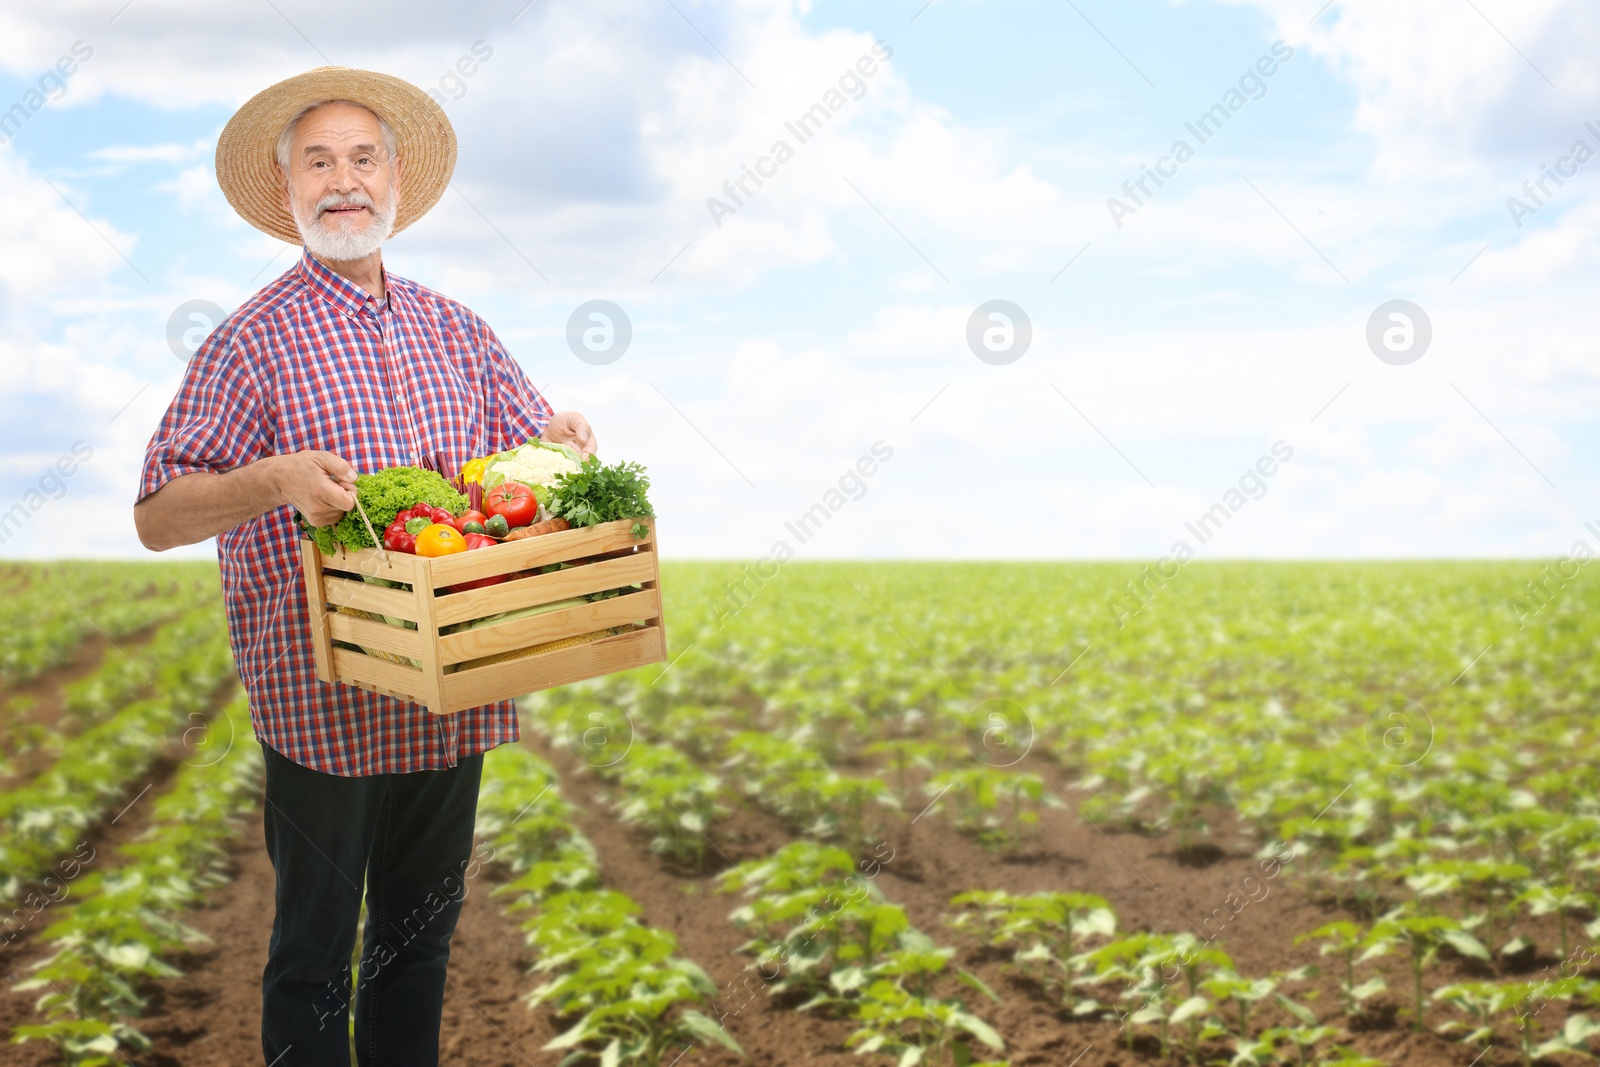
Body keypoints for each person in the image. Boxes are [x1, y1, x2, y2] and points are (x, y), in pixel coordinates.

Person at [132, 66, 591, 1066]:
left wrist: (562, 443)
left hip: (449, 686)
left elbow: (527, 476)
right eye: (319, 161)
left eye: (362, 158)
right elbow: (158, 515)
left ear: (394, 180)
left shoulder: (460, 331)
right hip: (320, 693)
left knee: (415, 947)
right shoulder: (248, 345)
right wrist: (273, 480)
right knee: (311, 957)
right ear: (287, 187)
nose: (344, 181)